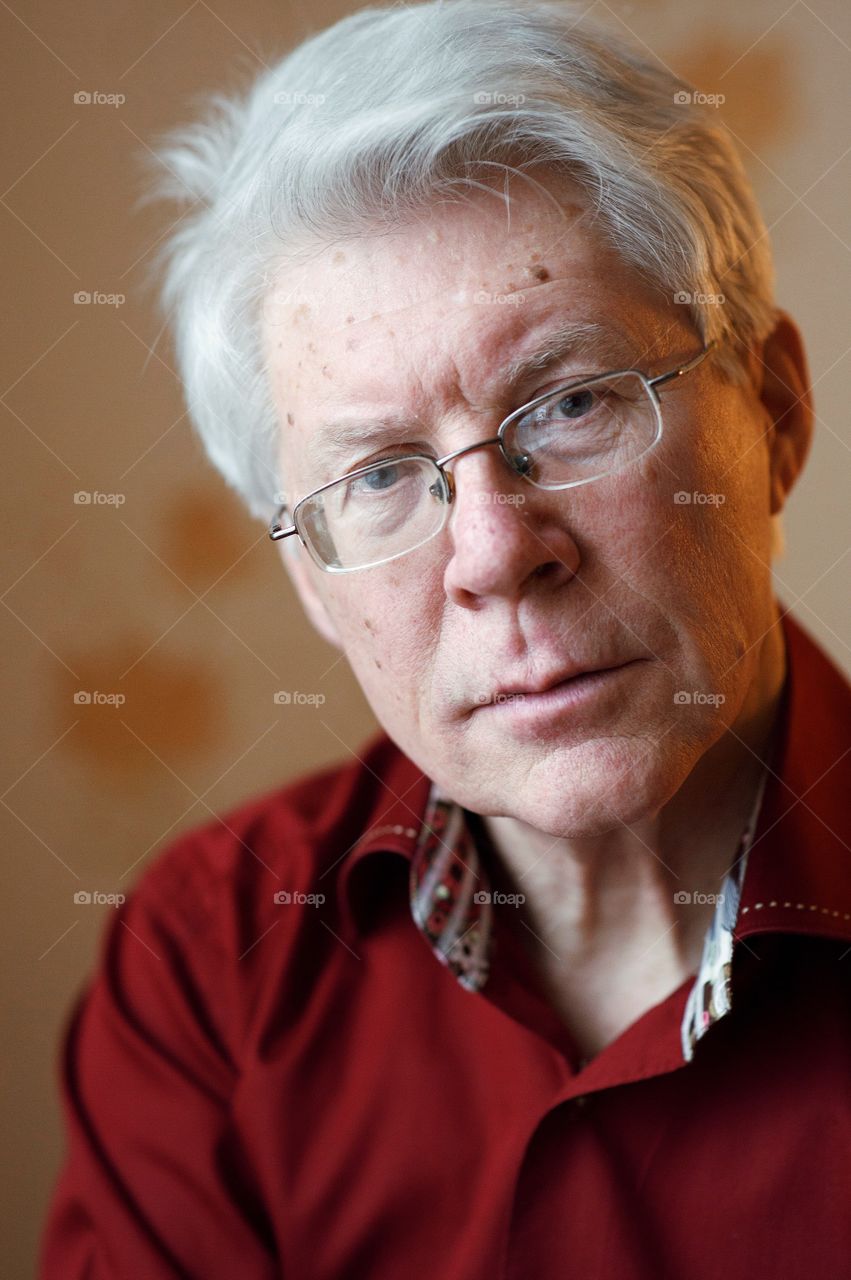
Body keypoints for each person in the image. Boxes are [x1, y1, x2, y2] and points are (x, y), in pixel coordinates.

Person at [39, 2, 851, 1277]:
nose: (492, 553)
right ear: (308, 574)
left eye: (572, 400)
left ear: (777, 414)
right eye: (379, 477)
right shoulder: (207, 968)